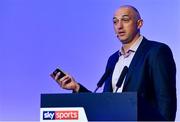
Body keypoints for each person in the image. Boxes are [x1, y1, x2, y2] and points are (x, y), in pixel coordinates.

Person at [51, 5, 177, 121]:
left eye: (125, 20)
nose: (119, 26)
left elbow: (166, 100)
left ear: (139, 23)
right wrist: (76, 87)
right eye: (115, 21)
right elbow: (105, 103)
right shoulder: (113, 59)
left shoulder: (157, 51)